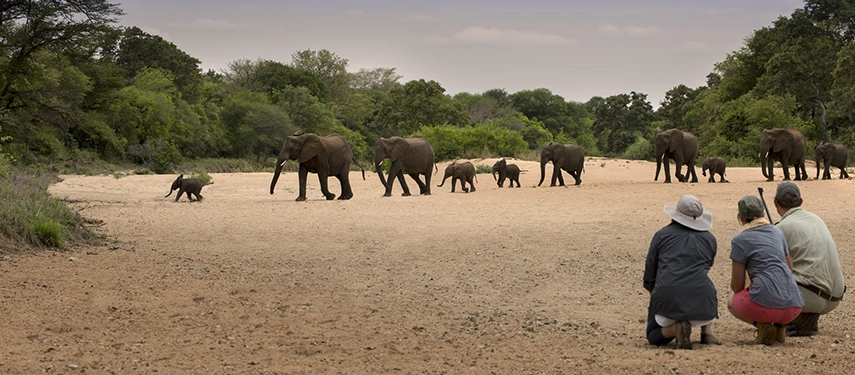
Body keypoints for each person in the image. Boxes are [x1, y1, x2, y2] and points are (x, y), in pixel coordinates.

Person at [643, 195, 719, 350]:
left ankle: (674, 329)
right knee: (706, 284)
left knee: (652, 334)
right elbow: (707, 265)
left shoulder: (661, 235)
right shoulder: (710, 239)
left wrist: (655, 294)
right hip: (702, 299)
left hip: (668, 292)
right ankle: (706, 331)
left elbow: (650, 270)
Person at [728, 195, 804, 345]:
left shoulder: (739, 240)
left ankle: (762, 325)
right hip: (794, 306)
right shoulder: (777, 232)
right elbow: (790, 268)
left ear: (740, 217)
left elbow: (737, 286)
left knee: (732, 301)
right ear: (763, 213)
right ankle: (779, 327)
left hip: (764, 306)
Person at [774, 182, 845, 336]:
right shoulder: (816, 219)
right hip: (834, 297)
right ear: (800, 202)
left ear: (775, 202)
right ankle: (804, 317)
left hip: (812, 297)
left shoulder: (781, 228)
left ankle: (795, 319)